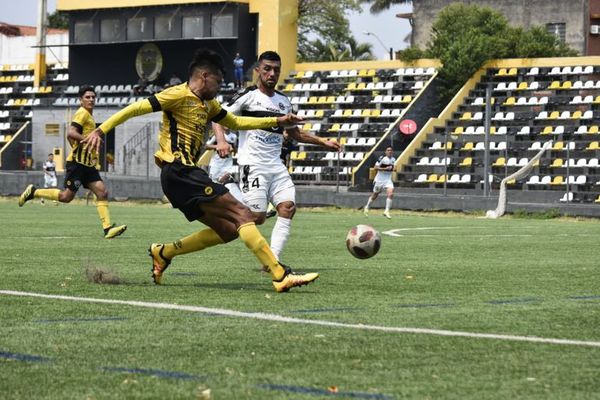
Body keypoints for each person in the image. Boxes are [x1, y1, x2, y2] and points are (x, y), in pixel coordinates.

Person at [80, 48, 318, 293]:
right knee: (244, 215)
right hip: (178, 171)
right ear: (204, 76)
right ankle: (280, 275)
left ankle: (163, 252)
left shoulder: (209, 104)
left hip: (183, 177)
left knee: (227, 231)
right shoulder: (176, 95)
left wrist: (276, 121)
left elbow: (236, 122)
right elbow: (134, 109)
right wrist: (100, 130)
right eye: (218, 81)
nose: (220, 87)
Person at [212, 51, 341, 261]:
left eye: (276, 70)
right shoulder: (248, 96)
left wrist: (323, 142)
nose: (272, 74)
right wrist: (222, 140)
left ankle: (273, 260)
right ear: (258, 71)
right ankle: (230, 185)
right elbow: (217, 117)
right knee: (257, 217)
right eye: (267, 69)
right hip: (252, 164)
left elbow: (295, 133)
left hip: (276, 165)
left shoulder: (283, 101)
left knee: (287, 207)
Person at [18, 86, 127, 239]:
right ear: (80, 100)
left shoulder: (89, 116)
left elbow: (72, 137)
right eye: (87, 97)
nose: (91, 99)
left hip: (88, 165)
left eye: (93, 97)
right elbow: (70, 132)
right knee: (66, 197)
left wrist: (82, 145)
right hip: (77, 164)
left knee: (102, 192)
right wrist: (87, 139)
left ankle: (107, 228)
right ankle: (34, 192)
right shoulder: (82, 113)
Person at [204, 131, 243, 202]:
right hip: (216, 164)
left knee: (231, 181)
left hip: (228, 163)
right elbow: (206, 146)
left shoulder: (233, 136)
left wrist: (232, 148)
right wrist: (218, 146)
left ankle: (232, 201)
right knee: (214, 183)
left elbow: (235, 150)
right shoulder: (216, 135)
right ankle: (213, 202)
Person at [364, 146, 396, 219]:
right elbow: (375, 167)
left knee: (390, 194)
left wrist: (393, 169)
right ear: (385, 152)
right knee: (375, 195)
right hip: (379, 180)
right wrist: (385, 168)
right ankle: (367, 207)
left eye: (391, 150)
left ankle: (386, 211)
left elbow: (394, 167)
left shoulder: (394, 159)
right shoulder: (382, 158)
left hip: (388, 180)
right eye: (388, 150)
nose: (389, 151)